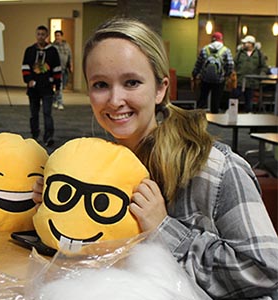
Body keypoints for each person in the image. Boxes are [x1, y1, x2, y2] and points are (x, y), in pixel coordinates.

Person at [33, 18, 278, 299]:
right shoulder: (88, 165)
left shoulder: (215, 168)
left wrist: (164, 229)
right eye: (101, 84)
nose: (115, 100)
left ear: (161, 88)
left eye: (132, 82)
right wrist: (58, 205)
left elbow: (265, 271)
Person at [22, 25, 62, 147]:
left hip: (47, 87)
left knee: (47, 113)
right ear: (36, 35)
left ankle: (48, 137)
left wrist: (57, 84)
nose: (40, 37)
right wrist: (28, 80)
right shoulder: (29, 50)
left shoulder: (53, 51)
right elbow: (25, 67)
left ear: (46, 36)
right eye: (38, 34)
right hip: (33, 88)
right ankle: (34, 135)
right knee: (34, 114)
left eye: (43, 34)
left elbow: (57, 69)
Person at [191, 32, 234, 113]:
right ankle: (215, 119)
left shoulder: (204, 49)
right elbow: (230, 64)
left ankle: (198, 119)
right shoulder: (226, 50)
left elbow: (198, 64)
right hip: (219, 80)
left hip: (205, 79)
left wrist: (194, 74)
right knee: (216, 101)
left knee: (202, 99)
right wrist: (226, 75)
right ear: (221, 40)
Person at [233, 35, 269, 113]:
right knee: (235, 98)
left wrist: (261, 75)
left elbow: (264, 66)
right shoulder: (239, 53)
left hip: (252, 81)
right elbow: (234, 64)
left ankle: (247, 116)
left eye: (246, 43)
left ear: (251, 44)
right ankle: (233, 114)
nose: (244, 44)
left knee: (249, 100)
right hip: (239, 80)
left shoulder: (259, 54)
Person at [52, 30, 73, 111]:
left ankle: (54, 100)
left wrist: (71, 65)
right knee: (59, 86)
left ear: (61, 36)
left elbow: (70, 56)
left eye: (58, 35)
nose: (57, 37)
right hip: (56, 69)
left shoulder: (66, 45)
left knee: (62, 85)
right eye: (56, 35)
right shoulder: (53, 46)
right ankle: (60, 102)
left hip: (64, 69)